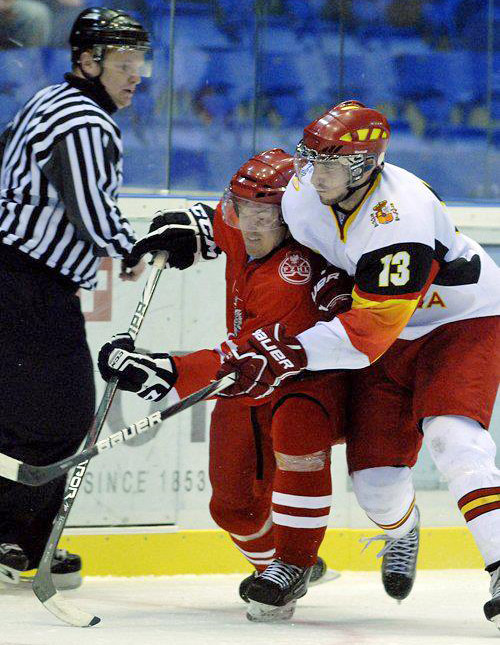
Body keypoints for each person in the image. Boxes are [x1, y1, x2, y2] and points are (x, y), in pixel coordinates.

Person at [214, 101, 500, 625]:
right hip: (387, 331)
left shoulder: (402, 222)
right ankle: (403, 529)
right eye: (310, 159)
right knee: (375, 484)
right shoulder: (305, 190)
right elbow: (263, 227)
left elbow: (367, 335)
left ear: (366, 166)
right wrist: (197, 229)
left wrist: (288, 353)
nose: (311, 175)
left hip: (460, 322)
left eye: (328, 165)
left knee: (451, 436)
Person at [98, 149, 353, 622]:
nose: (251, 226)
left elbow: (243, 362)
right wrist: (186, 230)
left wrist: (164, 370)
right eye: (243, 209)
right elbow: (215, 224)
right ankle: (279, 564)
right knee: (232, 509)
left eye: (266, 215)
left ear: (293, 218)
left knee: (289, 463)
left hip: (296, 388)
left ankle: (288, 566)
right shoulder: (240, 223)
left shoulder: (293, 276)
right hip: (244, 390)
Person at [0, 7, 148, 588]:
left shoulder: (47, 100)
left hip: (20, 278)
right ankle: (17, 539)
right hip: (27, 282)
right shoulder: (85, 121)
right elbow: (89, 213)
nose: (135, 74)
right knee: (58, 418)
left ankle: (18, 537)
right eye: (123, 62)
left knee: (24, 414)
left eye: (140, 62)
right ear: (88, 62)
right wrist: (134, 248)